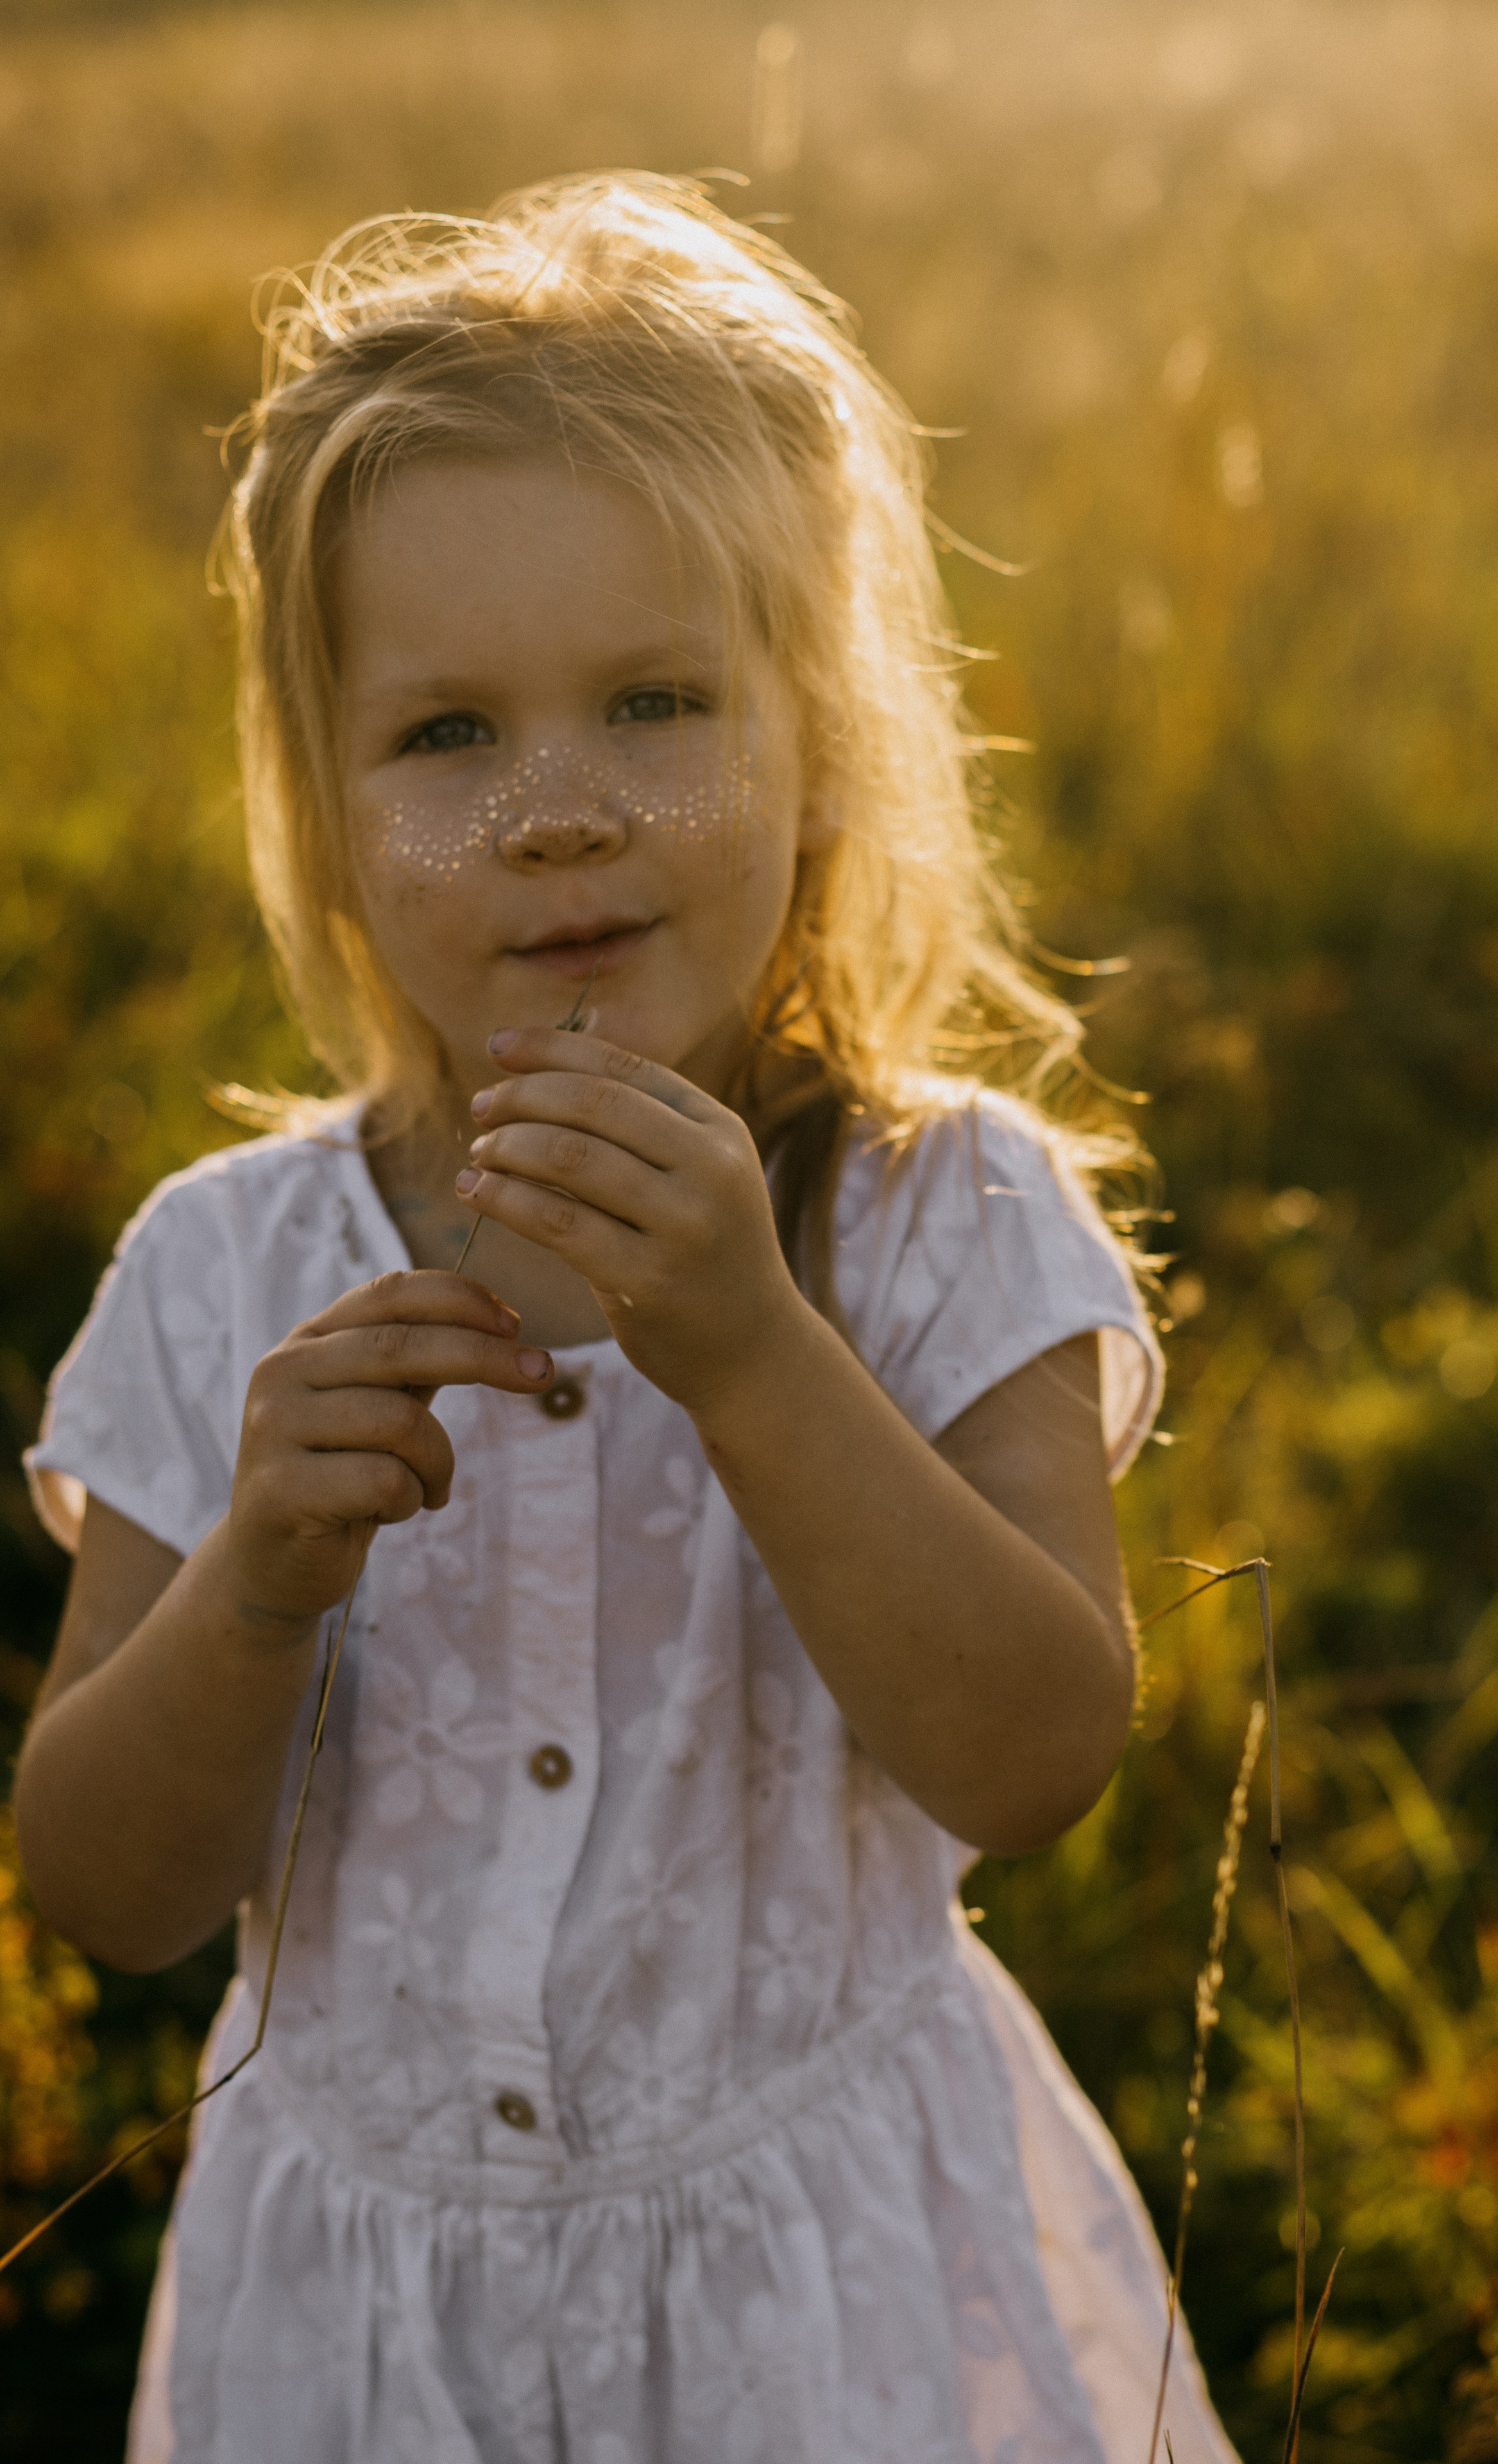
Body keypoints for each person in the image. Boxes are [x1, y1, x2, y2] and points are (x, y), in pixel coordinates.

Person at [14, 175, 1236, 2464]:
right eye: (448, 737)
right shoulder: (227, 1267)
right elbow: (106, 1891)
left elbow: (1038, 1751)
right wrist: (259, 1584)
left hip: (833, 2317)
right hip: (364, 2339)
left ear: (820, 740)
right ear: (333, 802)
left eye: (657, 703)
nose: (560, 813)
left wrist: (763, 1359)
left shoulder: (934, 1213)